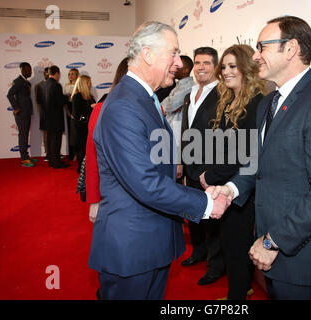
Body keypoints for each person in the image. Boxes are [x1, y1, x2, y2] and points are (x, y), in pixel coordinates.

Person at [211, 16, 311, 300]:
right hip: (271, 253)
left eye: (262, 47)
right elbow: (258, 165)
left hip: (301, 256)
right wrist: (230, 190)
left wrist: (272, 240)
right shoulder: (268, 101)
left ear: (290, 49)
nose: (255, 56)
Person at [87, 21, 230, 300]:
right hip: (132, 249)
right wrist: (206, 202)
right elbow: (145, 182)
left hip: (150, 242)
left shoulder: (143, 97)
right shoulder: (124, 106)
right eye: (174, 53)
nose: (179, 62)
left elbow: (156, 164)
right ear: (149, 54)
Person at [199, 44, 265, 299]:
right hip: (223, 187)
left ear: (247, 68)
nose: (226, 71)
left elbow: (244, 154)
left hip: (241, 190)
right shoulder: (229, 100)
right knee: (229, 244)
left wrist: (210, 176)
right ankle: (239, 291)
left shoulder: (256, 103)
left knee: (237, 247)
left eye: (232, 66)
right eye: (223, 67)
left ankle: (237, 297)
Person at [180, 47, 225, 286]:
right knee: (192, 213)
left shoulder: (223, 94)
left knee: (212, 219)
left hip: (210, 169)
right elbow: (186, 130)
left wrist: (213, 169)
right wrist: (181, 159)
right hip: (190, 165)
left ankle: (216, 265)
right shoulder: (190, 93)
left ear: (216, 66)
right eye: (197, 62)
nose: (201, 67)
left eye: (207, 63)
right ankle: (198, 252)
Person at [86, 57, 129, 224]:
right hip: (115, 195)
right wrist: (94, 199)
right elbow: (92, 154)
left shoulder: (156, 106)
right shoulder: (101, 109)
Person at [161, 55, 195, 155]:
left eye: (178, 66)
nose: (174, 68)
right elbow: (165, 105)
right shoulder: (179, 85)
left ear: (186, 70)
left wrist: (167, 107)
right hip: (171, 129)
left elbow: (169, 105)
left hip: (177, 132)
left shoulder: (189, 86)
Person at [7, 62, 37, 167]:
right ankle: (24, 159)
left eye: (31, 69)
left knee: (24, 134)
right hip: (21, 113)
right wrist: (16, 108)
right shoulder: (18, 81)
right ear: (22, 70)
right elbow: (9, 94)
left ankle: (26, 156)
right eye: (28, 70)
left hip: (26, 112)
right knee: (23, 135)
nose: (30, 72)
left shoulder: (25, 82)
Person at [45, 65, 71, 169]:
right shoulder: (56, 85)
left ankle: (52, 161)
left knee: (51, 140)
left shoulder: (45, 84)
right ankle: (56, 163)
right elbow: (59, 102)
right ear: (57, 73)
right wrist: (67, 97)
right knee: (56, 141)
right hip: (55, 118)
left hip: (47, 117)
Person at [71, 75, 95, 173]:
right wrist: (91, 107)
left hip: (87, 127)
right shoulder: (77, 96)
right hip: (80, 128)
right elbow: (77, 114)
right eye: (89, 82)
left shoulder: (89, 96)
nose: (90, 84)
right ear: (84, 83)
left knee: (87, 149)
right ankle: (82, 170)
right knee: (81, 150)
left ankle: (87, 168)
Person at [63, 68, 79, 161]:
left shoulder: (79, 86)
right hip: (69, 109)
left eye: (72, 74)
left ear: (77, 75)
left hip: (78, 109)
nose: (70, 76)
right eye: (69, 74)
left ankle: (79, 153)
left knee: (78, 132)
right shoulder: (66, 86)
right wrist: (68, 112)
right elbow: (65, 102)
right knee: (70, 132)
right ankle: (72, 154)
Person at [35, 67, 49, 161]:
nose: (47, 75)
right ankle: (48, 153)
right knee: (46, 135)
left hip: (55, 115)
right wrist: (42, 113)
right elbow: (38, 101)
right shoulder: (39, 85)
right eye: (46, 73)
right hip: (45, 114)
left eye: (49, 73)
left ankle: (55, 153)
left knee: (54, 135)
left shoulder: (56, 84)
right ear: (43, 74)